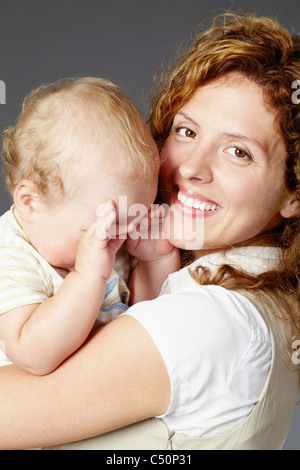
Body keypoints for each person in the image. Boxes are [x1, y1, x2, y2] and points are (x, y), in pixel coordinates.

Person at [0, 14, 300, 450]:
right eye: (187, 130)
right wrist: (157, 259)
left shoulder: (209, 323)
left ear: (293, 192)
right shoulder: (245, 293)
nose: (191, 168)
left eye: (239, 151)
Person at [0, 77, 161, 375]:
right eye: (111, 228)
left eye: (136, 219)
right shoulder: (11, 256)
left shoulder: (112, 232)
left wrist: (156, 260)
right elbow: (31, 354)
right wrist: (89, 276)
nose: (122, 239)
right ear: (30, 202)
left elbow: (146, 316)